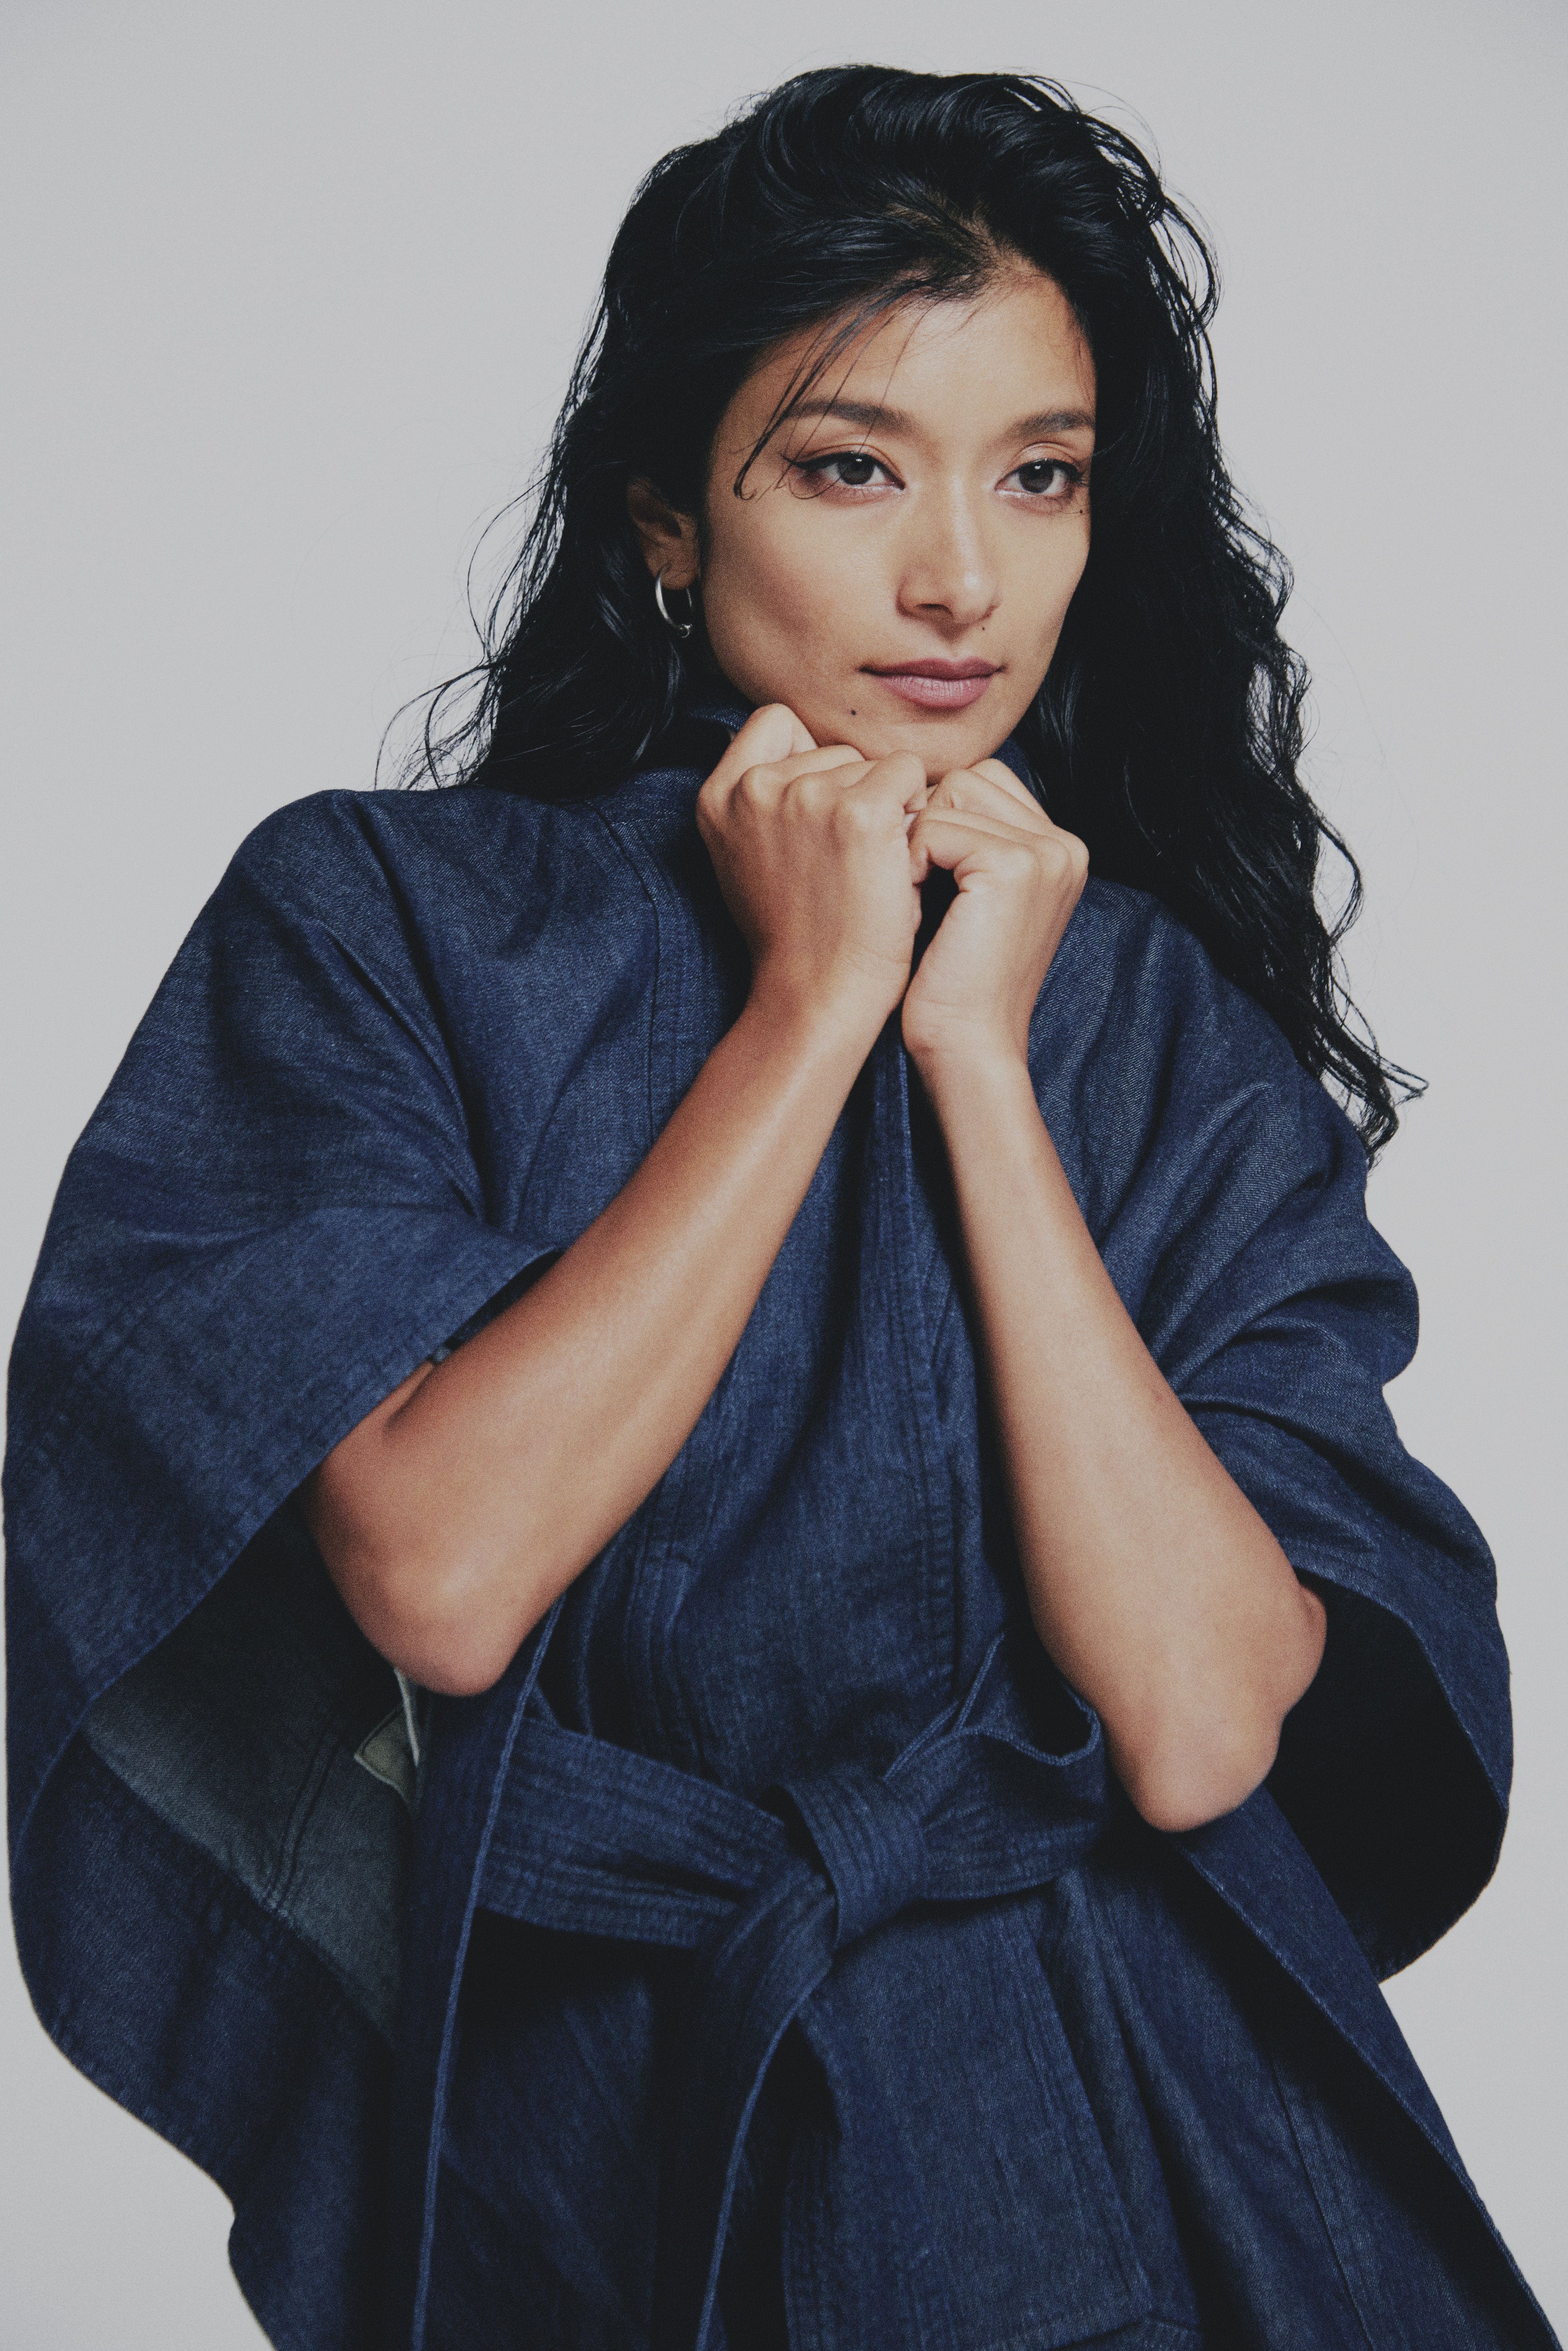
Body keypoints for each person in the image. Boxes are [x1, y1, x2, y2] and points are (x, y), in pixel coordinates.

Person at [4, 62, 1556, 2351]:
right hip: (607, 2130)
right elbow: (441, 1569)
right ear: (663, 517)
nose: (961, 576)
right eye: (851, 467)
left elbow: (1208, 1723)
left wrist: (974, 1063)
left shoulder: (1150, 1025)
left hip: (1140, 2124)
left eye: (1041, 478)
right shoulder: (382, 917)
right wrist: (805, 1014)